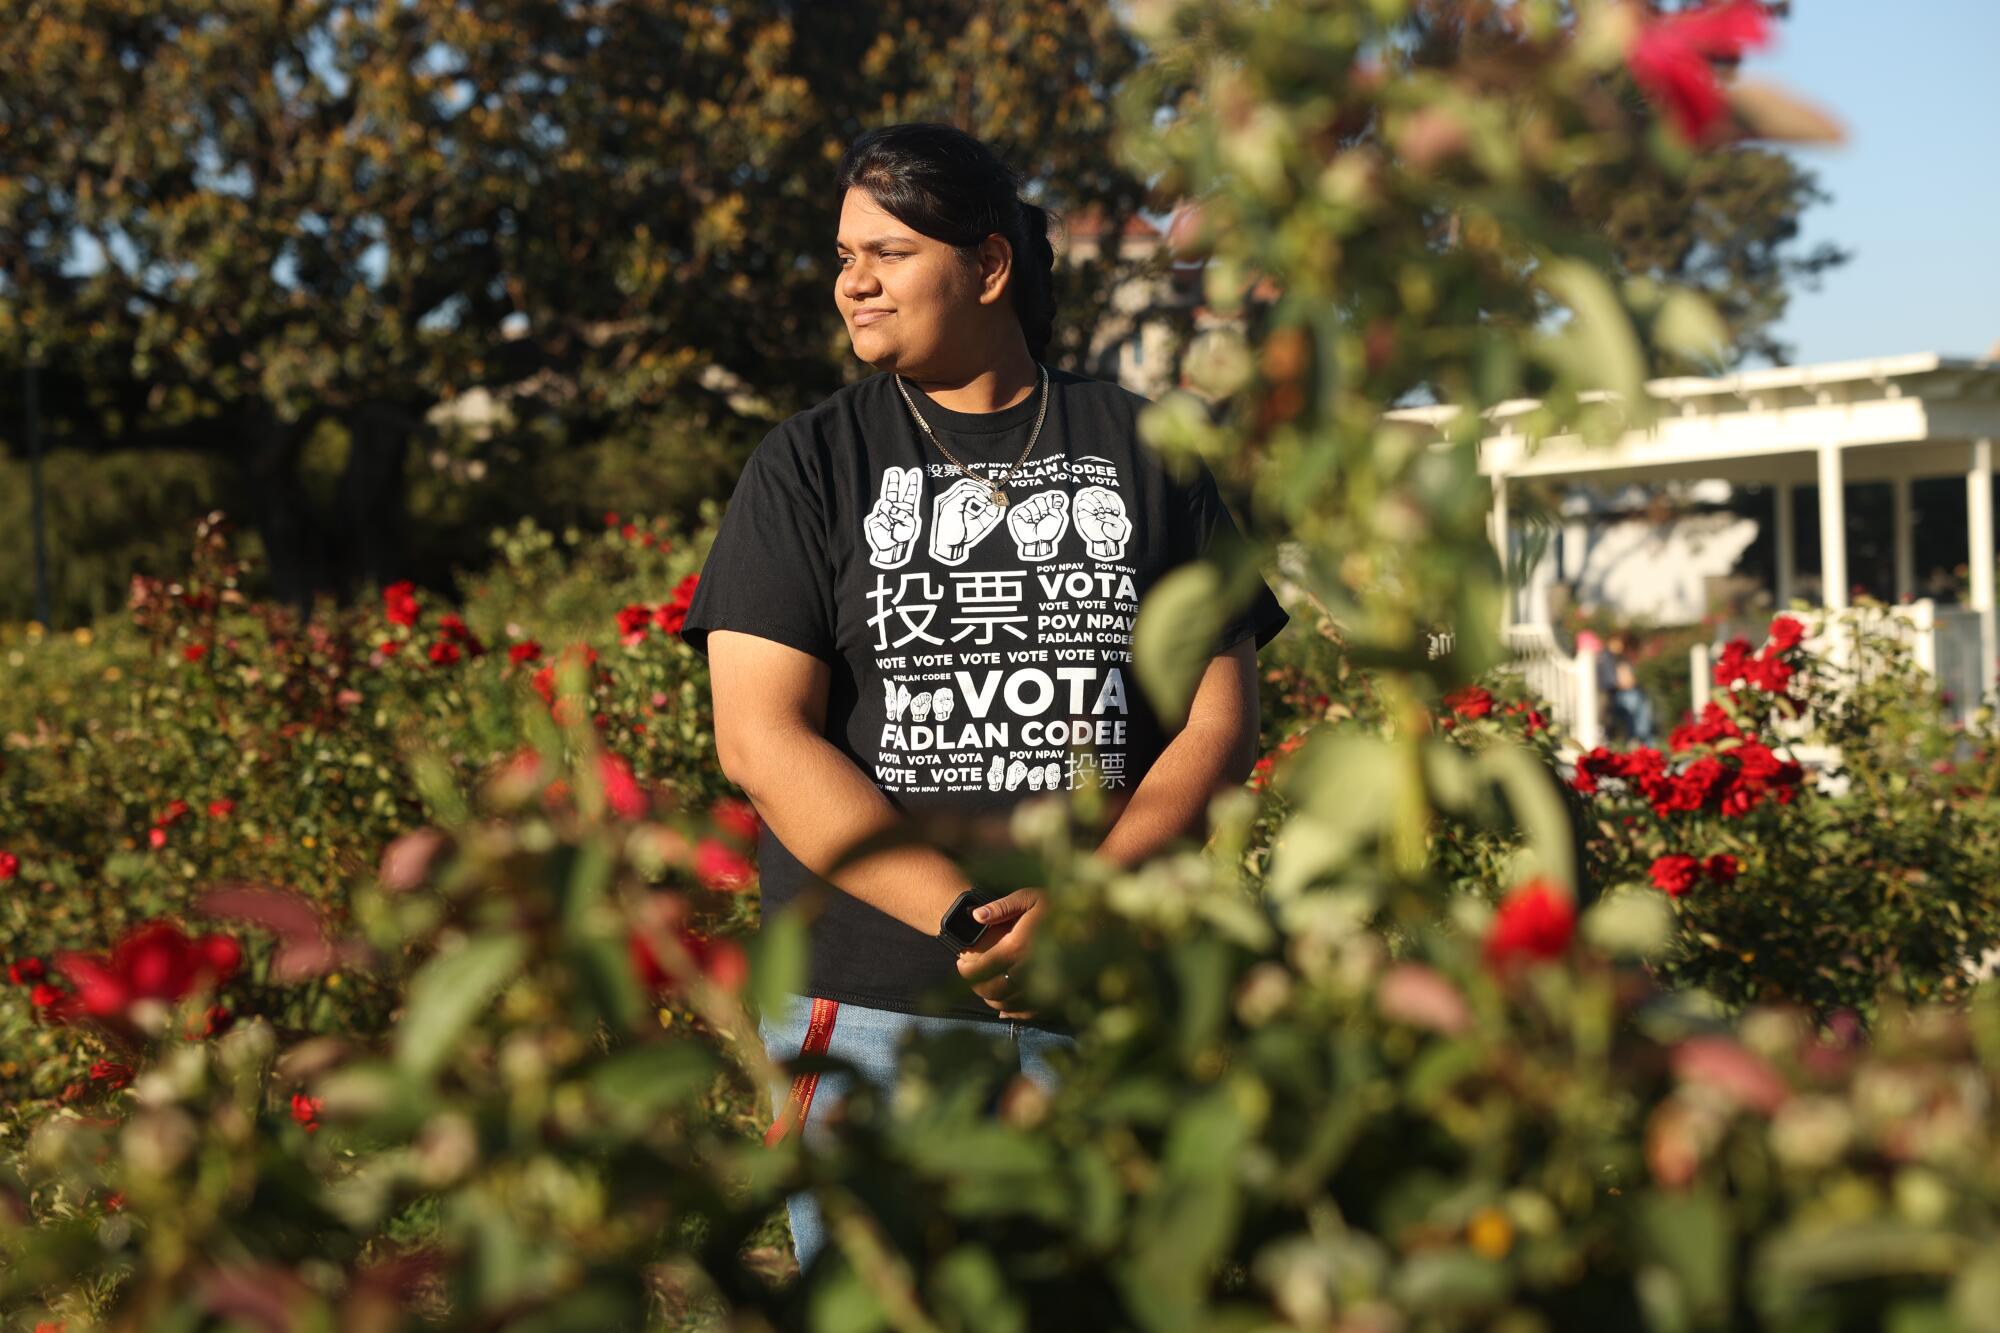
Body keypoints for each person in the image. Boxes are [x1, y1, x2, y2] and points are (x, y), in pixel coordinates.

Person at [677, 122, 1291, 1274]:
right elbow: (761, 738)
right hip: (874, 1009)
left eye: (888, 252)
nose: (851, 280)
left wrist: (1090, 905)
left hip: (1112, 992)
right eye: (844, 255)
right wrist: (970, 920)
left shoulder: (1145, 450)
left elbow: (1218, 716)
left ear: (990, 265)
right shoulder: (807, 466)